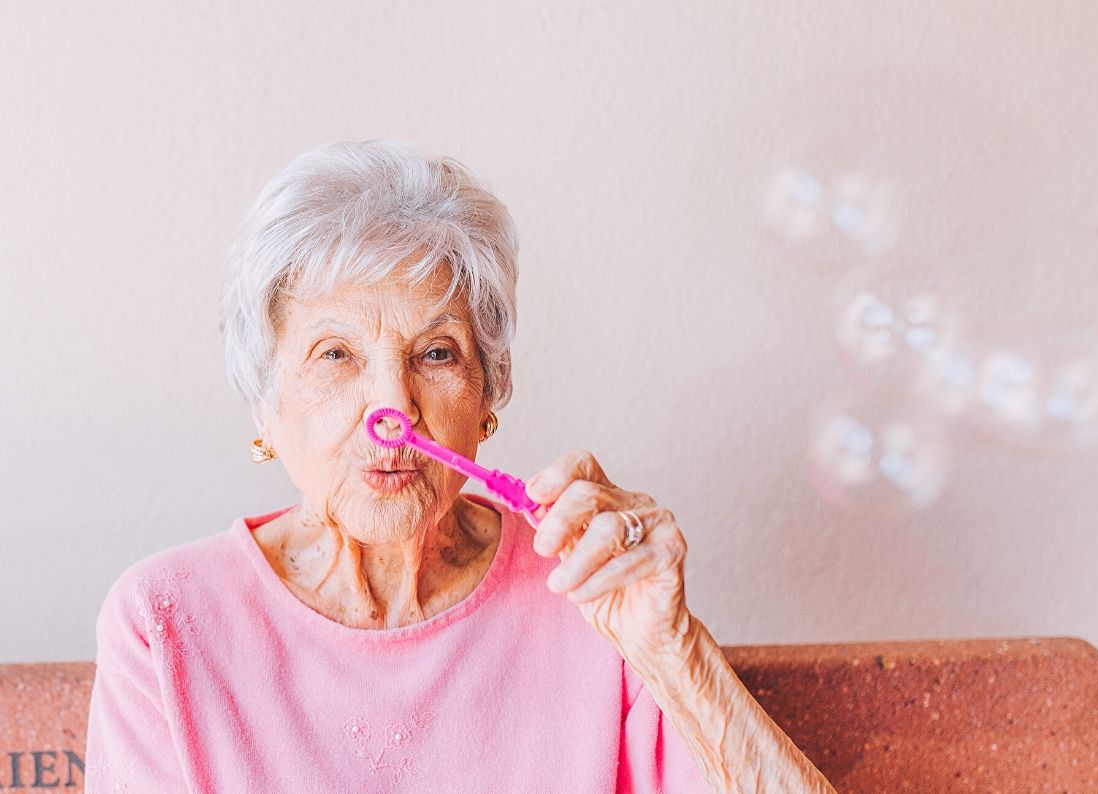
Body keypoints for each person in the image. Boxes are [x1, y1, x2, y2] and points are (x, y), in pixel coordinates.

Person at [84, 139, 836, 793]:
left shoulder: (586, 594)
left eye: (435, 353)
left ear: (486, 397)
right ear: (264, 406)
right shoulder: (163, 622)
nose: (394, 406)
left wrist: (672, 650)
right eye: (336, 355)